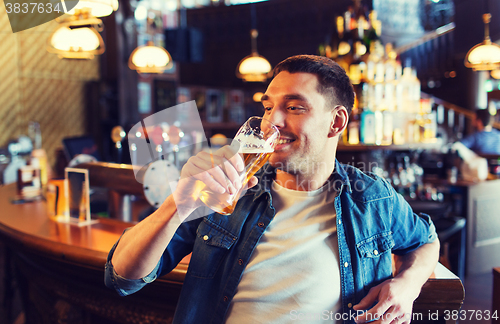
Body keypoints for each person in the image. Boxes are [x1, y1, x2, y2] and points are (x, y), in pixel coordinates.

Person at [105, 55, 439, 324]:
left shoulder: (371, 196)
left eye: (294, 107)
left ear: (336, 122)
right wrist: (177, 203)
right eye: (267, 107)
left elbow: (425, 241)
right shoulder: (227, 190)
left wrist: (407, 285)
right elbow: (122, 277)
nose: (271, 121)